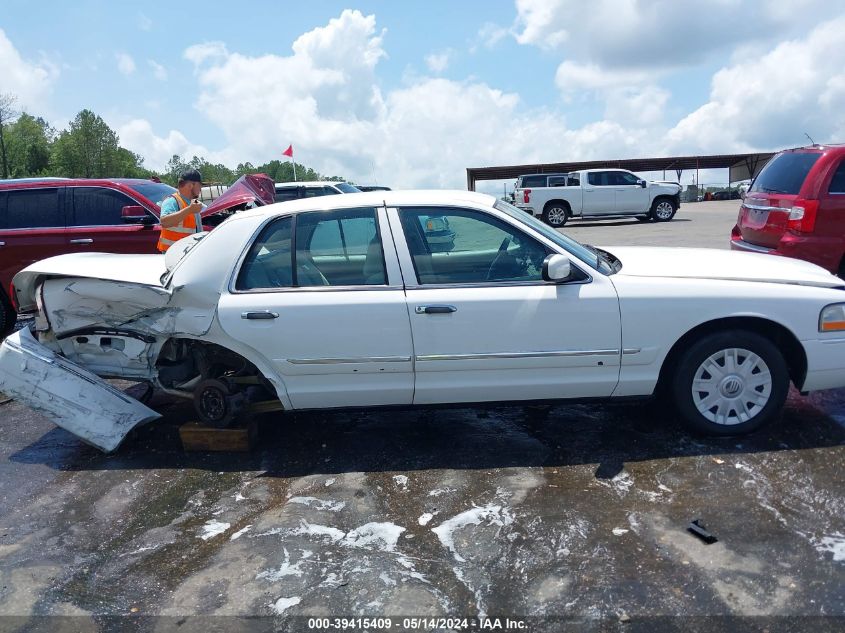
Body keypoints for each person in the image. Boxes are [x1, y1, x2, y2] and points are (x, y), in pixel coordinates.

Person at [157, 169, 205, 252]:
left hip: (187, 254)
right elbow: (164, 222)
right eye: (199, 185)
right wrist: (189, 210)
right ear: (190, 185)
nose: (201, 188)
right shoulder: (172, 201)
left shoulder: (193, 204)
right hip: (173, 256)